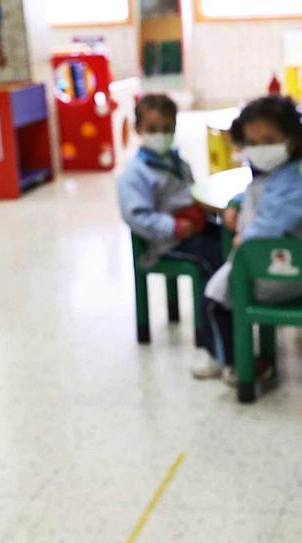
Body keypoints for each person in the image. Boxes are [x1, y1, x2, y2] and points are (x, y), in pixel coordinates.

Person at [204, 95, 302, 383]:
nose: (259, 149)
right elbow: (255, 193)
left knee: (216, 301)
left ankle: (237, 362)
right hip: (262, 264)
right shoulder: (270, 175)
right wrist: (237, 203)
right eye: (252, 142)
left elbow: (271, 221)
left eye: (269, 139)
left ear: (290, 140)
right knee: (216, 298)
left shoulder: (289, 181)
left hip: (279, 271)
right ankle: (227, 356)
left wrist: (246, 238)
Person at [116, 93, 225, 378]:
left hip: (192, 229)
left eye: (167, 129)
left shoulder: (177, 162)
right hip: (166, 242)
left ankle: (230, 326)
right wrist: (173, 227)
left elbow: (193, 193)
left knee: (229, 246)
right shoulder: (135, 174)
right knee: (211, 264)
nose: (160, 135)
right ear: (138, 129)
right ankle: (211, 344)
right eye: (152, 129)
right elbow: (136, 216)